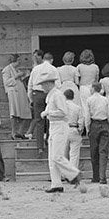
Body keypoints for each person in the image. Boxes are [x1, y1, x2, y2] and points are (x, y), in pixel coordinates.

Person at [38, 63, 81, 193]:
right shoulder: (51, 96)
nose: (41, 86)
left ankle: (73, 173)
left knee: (57, 156)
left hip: (60, 127)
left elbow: (63, 112)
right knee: (52, 158)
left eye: (43, 84)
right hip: (53, 126)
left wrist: (48, 113)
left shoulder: (57, 95)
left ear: (48, 83)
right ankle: (56, 184)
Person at [82, 83, 109, 184]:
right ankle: (103, 177)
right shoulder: (105, 99)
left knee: (94, 152)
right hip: (104, 124)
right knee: (103, 152)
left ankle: (96, 176)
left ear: (93, 89)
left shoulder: (89, 100)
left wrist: (87, 128)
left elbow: (87, 115)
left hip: (94, 124)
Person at [2, 52, 31, 139]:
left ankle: (20, 132)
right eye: (18, 60)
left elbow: (21, 80)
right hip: (13, 93)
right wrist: (16, 76)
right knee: (14, 113)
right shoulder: (6, 70)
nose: (20, 62)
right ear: (15, 60)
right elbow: (6, 82)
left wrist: (25, 75)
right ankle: (13, 133)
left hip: (21, 92)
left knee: (26, 112)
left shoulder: (17, 69)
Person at [27, 50, 48, 153]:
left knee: (39, 120)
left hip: (38, 94)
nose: (34, 59)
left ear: (41, 57)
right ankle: (47, 141)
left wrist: (31, 99)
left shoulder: (35, 69)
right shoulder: (50, 68)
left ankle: (40, 146)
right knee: (48, 118)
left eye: (36, 57)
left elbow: (30, 85)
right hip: (46, 93)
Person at [64, 89, 84, 171]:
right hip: (74, 128)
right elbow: (81, 120)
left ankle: (63, 174)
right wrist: (80, 129)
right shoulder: (77, 108)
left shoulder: (62, 107)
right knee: (74, 155)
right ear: (73, 97)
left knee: (63, 154)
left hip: (63, 129)